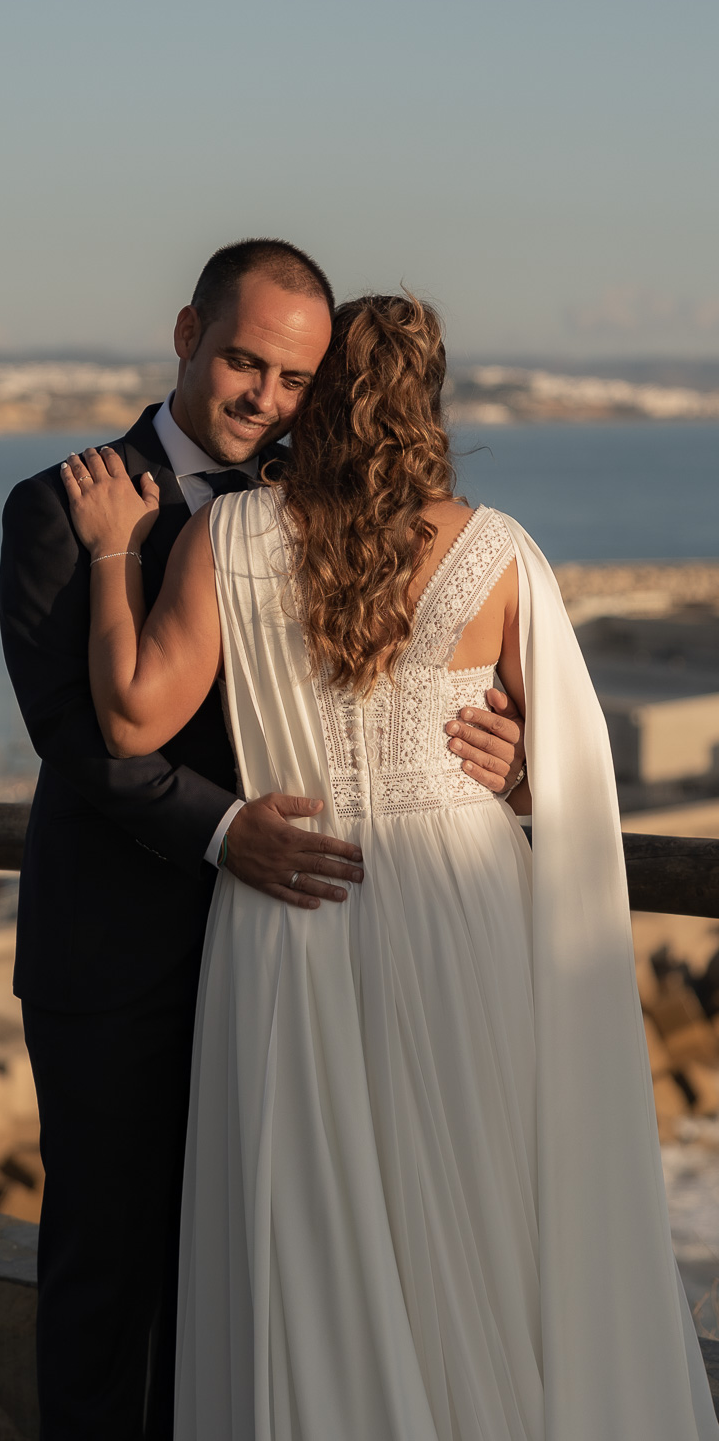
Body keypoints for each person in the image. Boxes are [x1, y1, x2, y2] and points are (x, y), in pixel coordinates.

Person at [62, 290, 719, 1441]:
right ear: (429, 403)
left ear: (316, 399)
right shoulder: (500, 552)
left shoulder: (230, 537)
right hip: (465, 902)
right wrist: (516, 770)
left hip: (296, 899)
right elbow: (571, 778)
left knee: (308, 1224)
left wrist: (113, 546)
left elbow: (127, 719)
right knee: (478, 1204)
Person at [0, 244, 525, 1439]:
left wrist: (504, 747)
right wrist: (227, 831)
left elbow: (401, 681)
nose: (265, 398)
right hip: (121, 955)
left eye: (296, 380)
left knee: (258, 1270)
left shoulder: (326, 505)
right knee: (106, 1275)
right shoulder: (67, 502)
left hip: (300, 958)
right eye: (245, 363)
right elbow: (79, 738)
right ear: (188, 334)